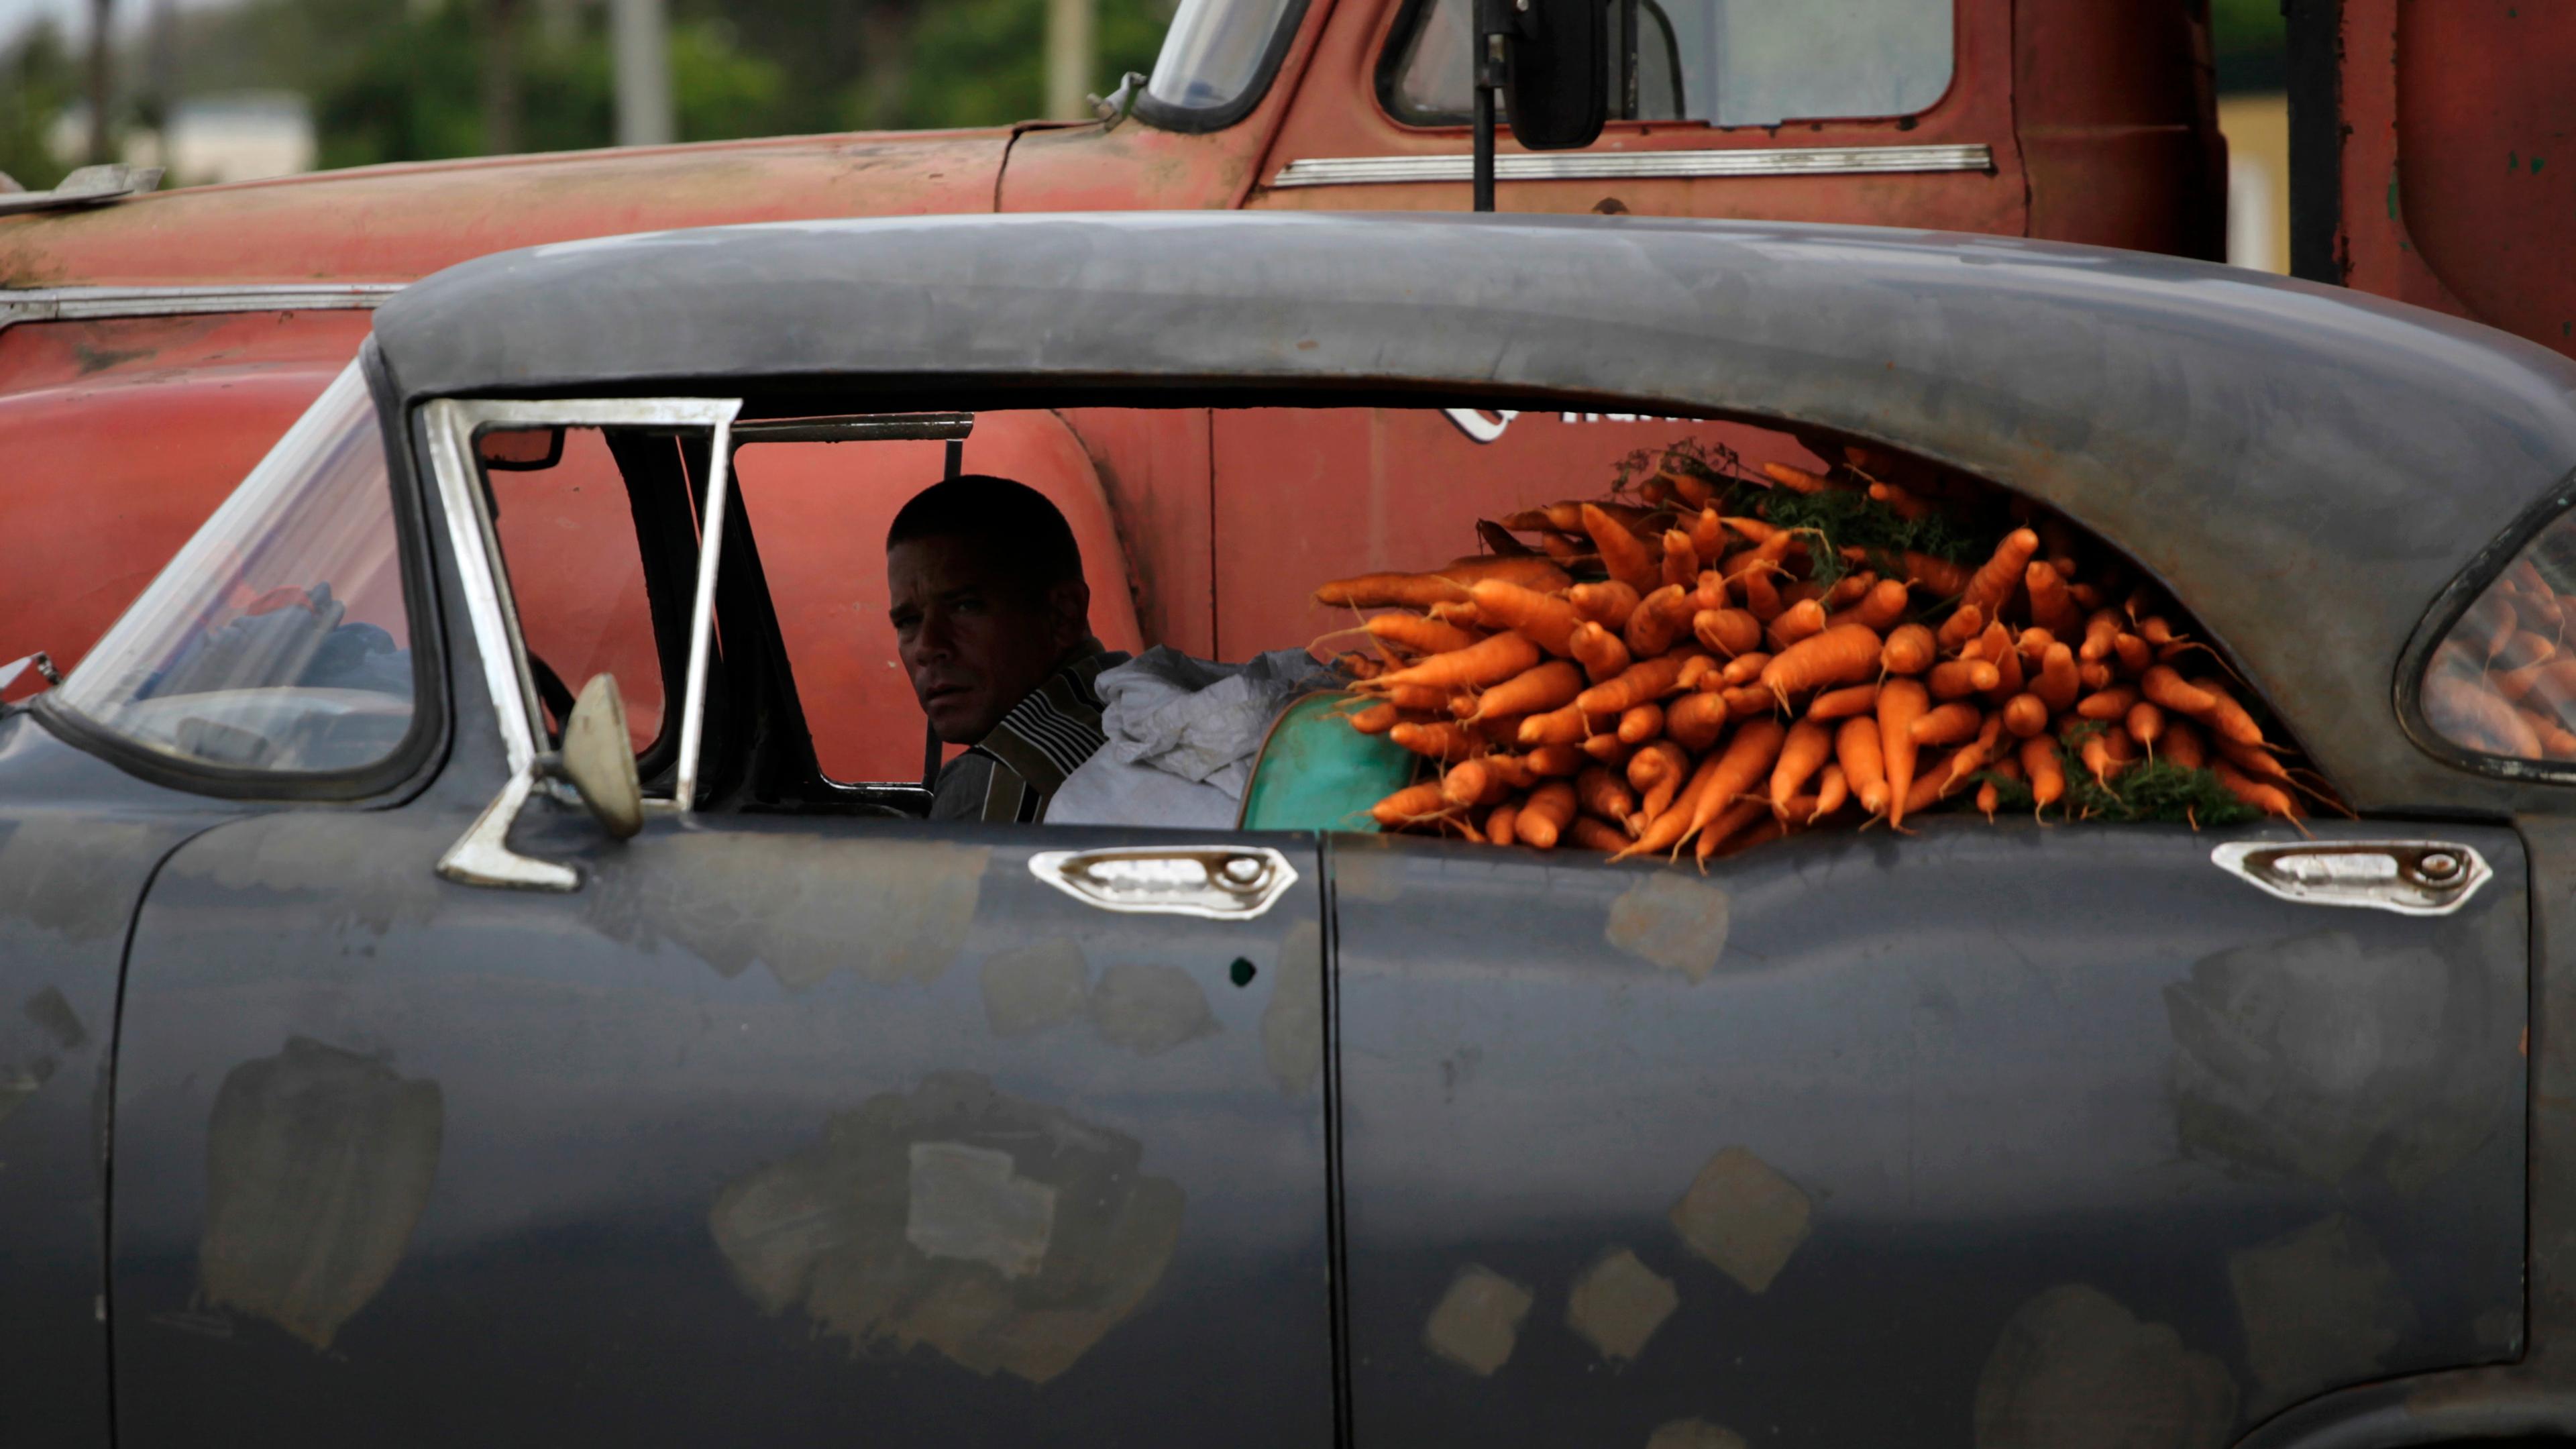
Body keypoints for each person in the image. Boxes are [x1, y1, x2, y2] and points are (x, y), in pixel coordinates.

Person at [886, 475, 1129, 822]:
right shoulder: (1132, 709)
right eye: (908, 621)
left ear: (1063, 614)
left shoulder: (995, 779)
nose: (927, 647)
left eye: (966, 606)